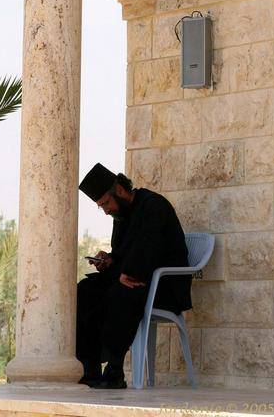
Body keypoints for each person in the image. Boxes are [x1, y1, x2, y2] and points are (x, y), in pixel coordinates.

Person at [76, 163, 192, 389]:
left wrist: (121, 271)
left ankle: (114, 369)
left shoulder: (154, 206)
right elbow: (124, 256)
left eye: (106, 203)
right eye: (101, 207)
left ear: (119, 190)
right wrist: (108, 261)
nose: (106, 210)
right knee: (85, 290)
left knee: (123, 291)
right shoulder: (121, 216)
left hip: (164, 286)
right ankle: (88, 368)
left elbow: (149, 253)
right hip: (134, 277)